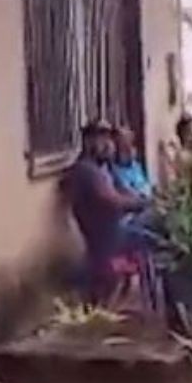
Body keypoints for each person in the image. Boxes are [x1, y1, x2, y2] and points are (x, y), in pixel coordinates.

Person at [63, 123, 149, 305]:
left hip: (116, 231)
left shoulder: (103, 169)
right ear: (88, 142)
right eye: (103, 140)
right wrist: (142, 203)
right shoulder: (86, 170)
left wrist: (141, 199)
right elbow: (112, 200)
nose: (109, 145)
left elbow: (124, 191)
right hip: (106, 238)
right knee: (153, 239)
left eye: (109, 139)